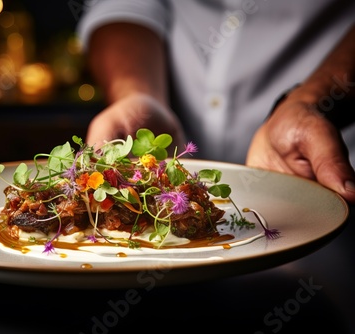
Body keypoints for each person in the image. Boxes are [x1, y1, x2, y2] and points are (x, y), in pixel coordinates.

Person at [76, 0, 355, 204]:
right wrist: (135, 95)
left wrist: (313, 100)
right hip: (169, 166)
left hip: (310, 174)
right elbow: (122, 5)